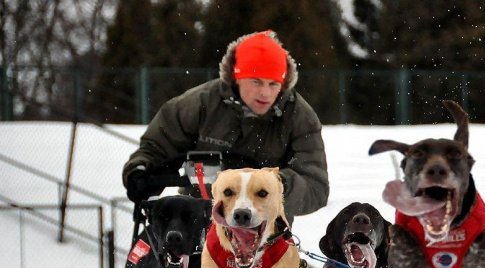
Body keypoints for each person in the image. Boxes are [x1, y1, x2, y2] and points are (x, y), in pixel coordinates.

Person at [122, 30, 329, 224]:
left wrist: (272, 186)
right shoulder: (200, 104)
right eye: (256, 82)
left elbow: (315, 188)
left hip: (262, 233)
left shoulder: (299, 118)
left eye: (273, 84)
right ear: (237, 78)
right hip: (197, 223)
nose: (265, 93)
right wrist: (140, 171)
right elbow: (156, 147)